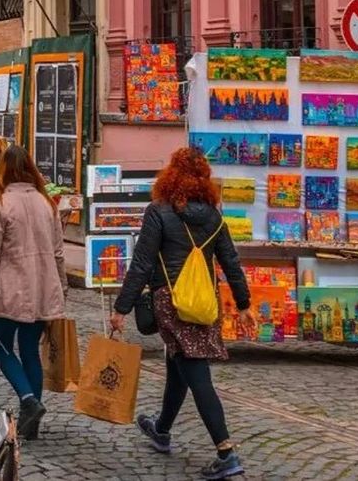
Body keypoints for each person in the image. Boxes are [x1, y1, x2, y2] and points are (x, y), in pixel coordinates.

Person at [109, 146, 254, 480]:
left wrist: (122, 307)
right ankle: (161, 430)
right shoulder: (214, 218)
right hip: (203, 304)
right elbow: (230, 261)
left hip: (171, 302)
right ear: (204, 180)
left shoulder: (159, 211)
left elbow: (143, 263)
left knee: (195, 373)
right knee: (179, 365)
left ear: (170, 176)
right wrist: (244, 304)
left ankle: (226, 452)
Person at [0, 145, 65, 441]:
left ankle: (28, 400)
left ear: (3, 169)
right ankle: (31, 420)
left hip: (9, 291)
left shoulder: (0, 203)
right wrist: (60, 288)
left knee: (2, 348)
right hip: (41, 288)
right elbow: (59, 253)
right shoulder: (48, 203)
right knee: (31, 350)